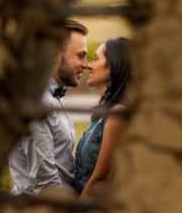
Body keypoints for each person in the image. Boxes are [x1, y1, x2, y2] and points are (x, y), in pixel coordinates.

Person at [9, 19, 90, 195]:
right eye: (80, 56)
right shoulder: (39, 103)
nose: (86, 64)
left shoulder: (52, 97)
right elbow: (45, 182)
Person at [73, 37, 130, 196]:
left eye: (96, 59)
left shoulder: (118, 113)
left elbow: (100, 179)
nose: (89, 65)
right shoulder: (104, 114)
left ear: (113, 65)